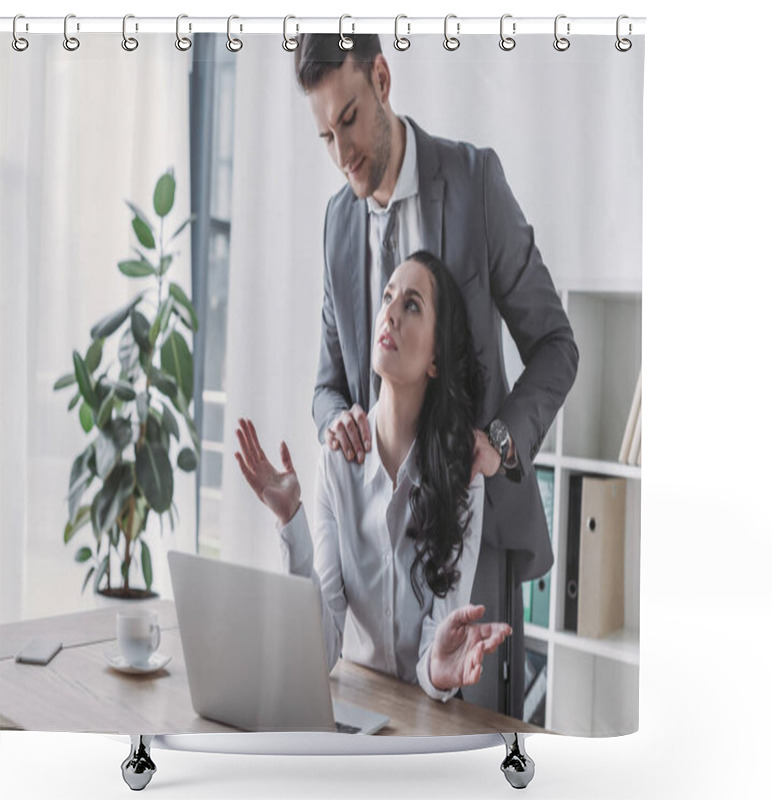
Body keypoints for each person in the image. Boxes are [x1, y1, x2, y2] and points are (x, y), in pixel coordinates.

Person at [296, 34, 579, 718]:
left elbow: (555, 343)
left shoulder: (475, 181)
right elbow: (328, 382)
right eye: (326, 135)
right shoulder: (338, 223)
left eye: (352, 120)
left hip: (471, 529)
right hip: (372, 549)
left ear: (383, 79)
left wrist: (501, 444)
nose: (343, 155)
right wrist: (336, 419)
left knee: (459, 748)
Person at [235, 253, 511, 701]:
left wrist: (440, 668)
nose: (391, 314)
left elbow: (433, 658)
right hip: (351, 704)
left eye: (413, 305)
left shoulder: (464, 478)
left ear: (436, 357)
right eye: (388, 297)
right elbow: (320, 650)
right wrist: (291, 520)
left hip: (423, 717)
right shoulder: (336, 464)